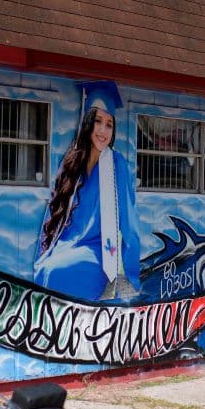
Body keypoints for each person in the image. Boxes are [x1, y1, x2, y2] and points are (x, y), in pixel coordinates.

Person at [34, 81, 141, 301]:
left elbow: (130, 224)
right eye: (98, 122)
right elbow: (53, 212)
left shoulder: (116, 165)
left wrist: (130, 277)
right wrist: (42, 254)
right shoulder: (72, 163)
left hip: (98, 253)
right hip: (67, 244)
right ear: (87, 124)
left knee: (56, 271)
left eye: (109, 125)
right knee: (45, 267)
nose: (103, 131)